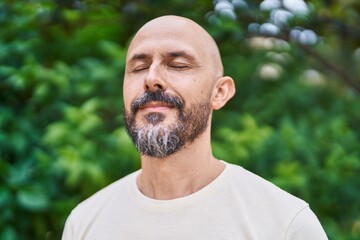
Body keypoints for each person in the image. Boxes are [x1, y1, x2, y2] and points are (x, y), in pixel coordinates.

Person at [62, 15, 328, 239]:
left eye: (178, 65)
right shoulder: (84, 223)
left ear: (220, 92)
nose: (152, 78)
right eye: (139, 67)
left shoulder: (285, 224)